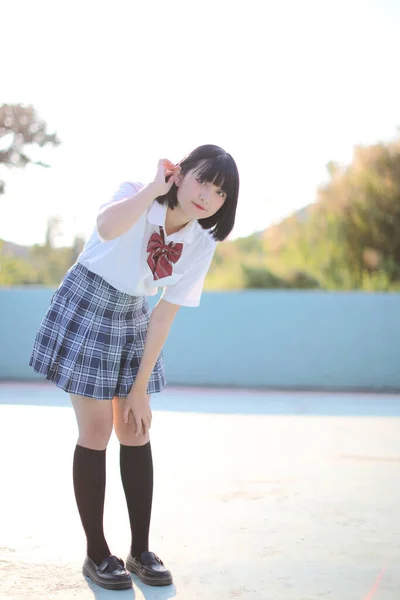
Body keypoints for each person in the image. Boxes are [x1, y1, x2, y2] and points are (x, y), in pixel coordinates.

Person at [29, 144, 240, 590]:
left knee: (136, 427)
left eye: (219, 192)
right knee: (96, 431)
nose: (207, 195)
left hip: (134, 316)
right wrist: (151, 189)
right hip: (89, 302)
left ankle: (140, 550)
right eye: (201, 179)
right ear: (179, 174)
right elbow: (107, 228)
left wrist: (140, 388)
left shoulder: (202, 241)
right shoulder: (136, 193)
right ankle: (96, 553)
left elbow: (164, 313)